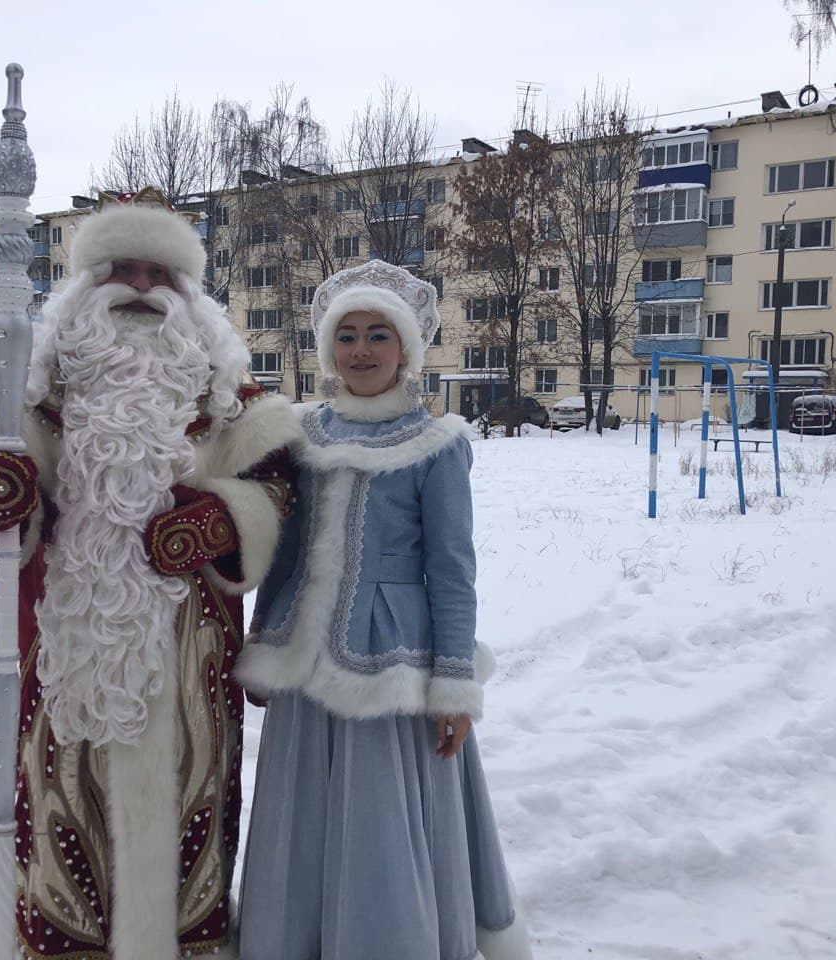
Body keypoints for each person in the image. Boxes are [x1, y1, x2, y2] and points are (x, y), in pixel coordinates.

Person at [0, 188, 299, 959]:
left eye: (160, 273)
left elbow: (280, 491)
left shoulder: (230, 400)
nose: (139, 287)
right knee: (64, 818)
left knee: (192, 818)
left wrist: (222, 521)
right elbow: (2, 512)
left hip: (189, 668)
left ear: (189, 296)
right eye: (121, 269)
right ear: (83, 288)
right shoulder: (37, 398)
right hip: (69, 665)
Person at [236, 260, 534, 960]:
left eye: (378, 335)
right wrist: (261, 642)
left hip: (392, 670)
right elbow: (284, 553)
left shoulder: (435, 443)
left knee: (382, 819)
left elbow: (452, 570)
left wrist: (453, 685)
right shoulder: (302, 438)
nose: (362, 350)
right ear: (327, 348)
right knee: (302, 815)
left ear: (406, 350)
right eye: (347, 335)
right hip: (306, 669)